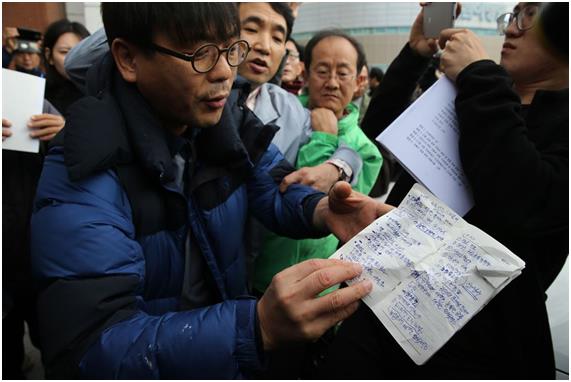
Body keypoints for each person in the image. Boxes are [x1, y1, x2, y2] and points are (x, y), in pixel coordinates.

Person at [30, 3, 391, 379]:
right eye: (200, 54)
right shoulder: (85, 169)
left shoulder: (225, 122)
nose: (223, 72)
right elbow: (92, 346)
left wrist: (323, 211)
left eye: (230, 49)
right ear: (128, 58)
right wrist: (256, 327)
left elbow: (272, 185)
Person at [315, 2, 568, 378]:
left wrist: (480, 75)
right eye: (512, 16)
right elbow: (377, 137)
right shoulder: (479, 93)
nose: (510, 29)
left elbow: (520, 199)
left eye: (528, 15)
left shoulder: (491, 94)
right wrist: (417, 55)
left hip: (475, 352)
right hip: (377, 321)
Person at [254, 30, 382, 295]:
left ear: (359, 80)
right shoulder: (275, 115)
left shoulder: (367, 151)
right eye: (322, 71)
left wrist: (324, 137)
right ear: (305, 73)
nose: (332, 83)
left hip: (314, 287)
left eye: (343, 73)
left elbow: (316, 197)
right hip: (255, 273)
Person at [42, 19, 90, 116]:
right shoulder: (38, 95)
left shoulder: (103, 92)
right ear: (49, 56)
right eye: (64, 52)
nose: (74, 59)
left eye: (81, 51)